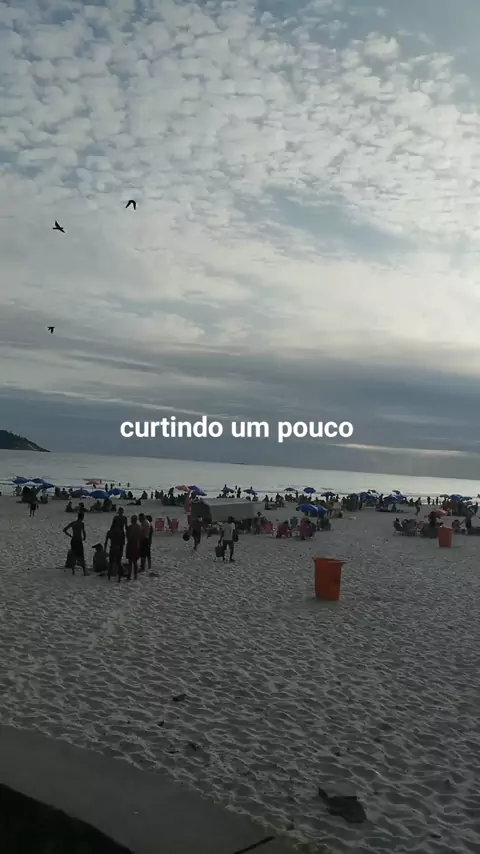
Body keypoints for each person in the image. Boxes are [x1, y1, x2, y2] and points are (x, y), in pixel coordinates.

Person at [126, 515, 141, 579]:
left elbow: (127, 536)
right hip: (136, 545)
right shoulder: (138, 527)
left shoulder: (129, 527)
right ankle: (135, 575)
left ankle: (129, 574)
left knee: (130, 561)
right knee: (135, 562)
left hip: (130, 544)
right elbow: (139, 536)